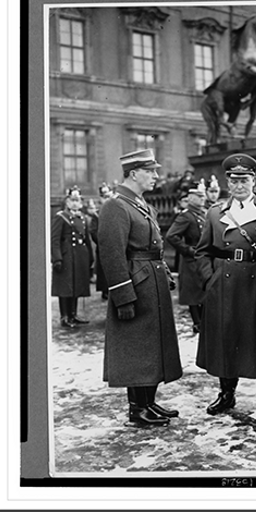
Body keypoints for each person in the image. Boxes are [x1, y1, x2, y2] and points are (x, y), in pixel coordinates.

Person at [195, 153, 256, 416]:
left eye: (244, 180)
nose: (239, 186)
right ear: (228, 182)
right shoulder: (216, 212)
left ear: (253, 181)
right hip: (225, 285)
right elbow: (202, 251)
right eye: (234, 181)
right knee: (227, 338)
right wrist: (209, 279)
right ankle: (226, 394)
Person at [97, 148, 183, 427]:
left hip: (151, 283)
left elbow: (155, 248)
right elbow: (112, 255)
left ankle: (148, 402)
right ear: (134, 173)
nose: (156, 176)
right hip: (136, 285)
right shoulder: (116, 206)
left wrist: (166, 273)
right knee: (137, 347)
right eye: (151, 171)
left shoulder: (140, 204)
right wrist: (123, 297)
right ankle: (137, 409)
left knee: (152, 346)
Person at [165, 179, 207, 334]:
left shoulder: (204, 213)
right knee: (194, 293)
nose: (202, 199)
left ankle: (204, 321)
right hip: (192, 260)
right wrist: (188, 250)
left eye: (203, 196)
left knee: (204, 291)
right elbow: (171, 236)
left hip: (204, 258)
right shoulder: (186, 216)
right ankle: (197, 323)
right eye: (198, 196)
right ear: (190, 199)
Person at [51, 186, 94, 328]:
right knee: (65, 287)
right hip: (66, 257)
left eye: (78, 200)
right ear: (67, 202)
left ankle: (73, 315)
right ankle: (65, 317)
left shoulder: (82, 218)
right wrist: (57, 258)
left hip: (80, 257)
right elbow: (55, 239)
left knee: (76, 286)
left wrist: (91, 258)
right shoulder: (61, 217)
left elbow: (87, 239)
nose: (75, 203)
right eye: (72, 200)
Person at [88, 182, 112, 300]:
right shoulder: (97, 215)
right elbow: (93, 231)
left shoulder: (118, 211)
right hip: (103, 247)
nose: (106, 199)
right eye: (104, 197)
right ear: (100, 199)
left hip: (117, 248)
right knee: (104, 271)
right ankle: (105, 290)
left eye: (108, 196)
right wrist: (104, 242)